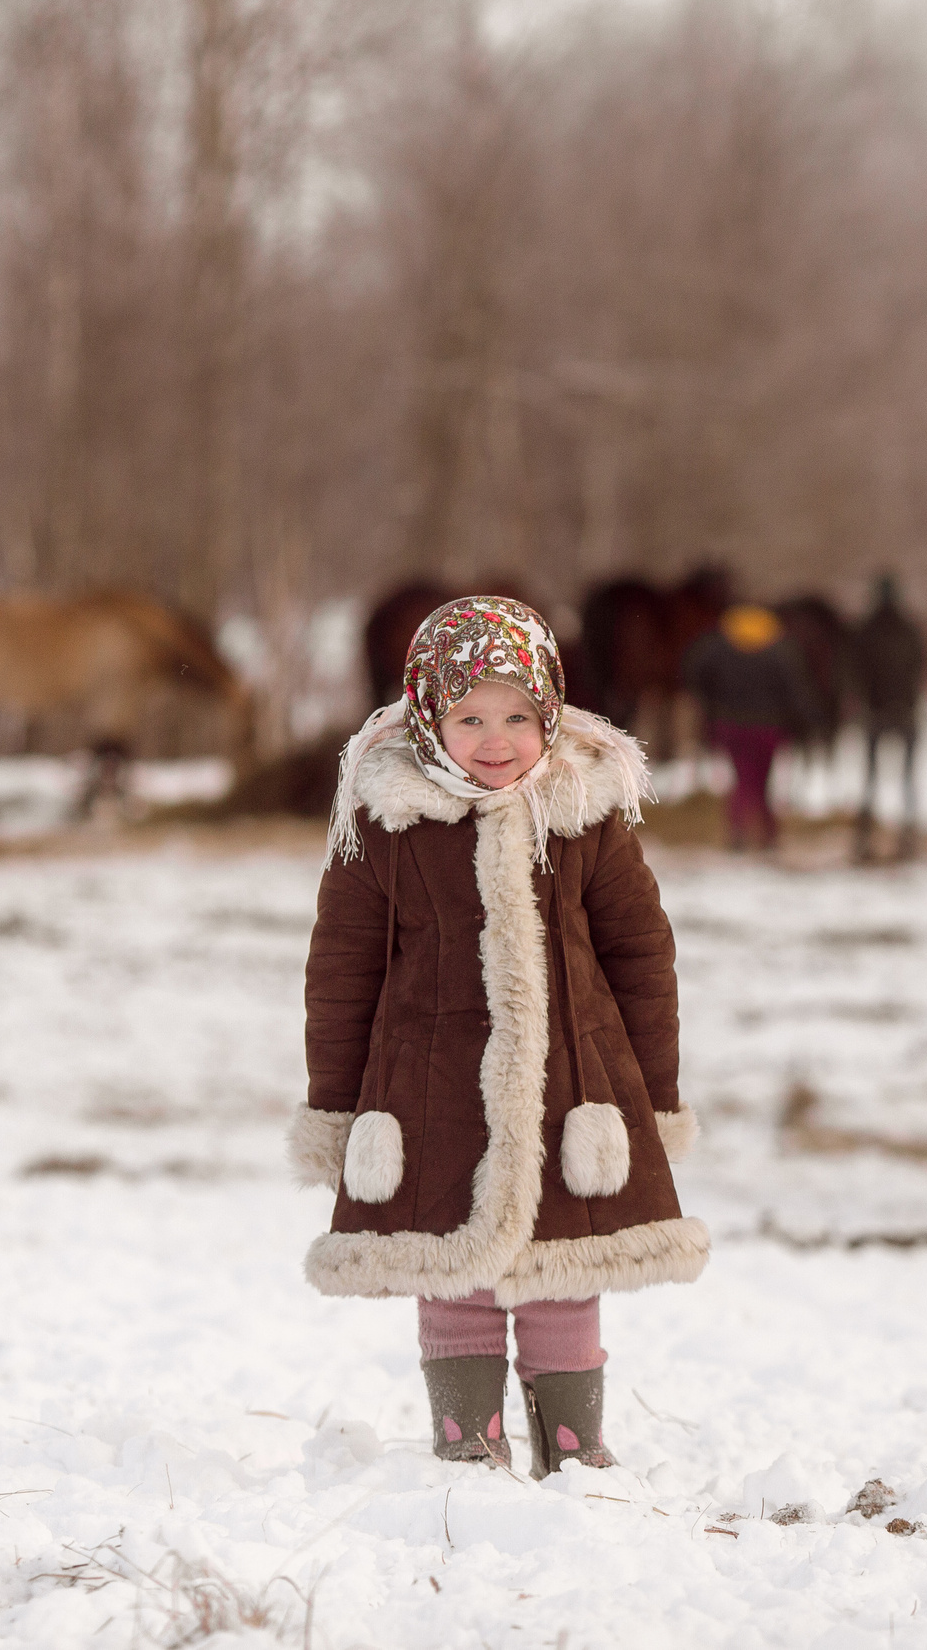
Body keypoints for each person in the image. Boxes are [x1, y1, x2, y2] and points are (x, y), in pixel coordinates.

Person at [290, 596, 705, 1474]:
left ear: (551, 712)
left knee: (563, 1271)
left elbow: (642, 957)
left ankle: (574, 1451)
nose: (496, 739)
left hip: (573, 1090)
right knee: (457, 1275)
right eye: (470, 716)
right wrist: (334, 1108)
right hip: (431, 1090)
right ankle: (467, 1451)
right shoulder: (387, 822)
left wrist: (656, 1099)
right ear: (428, 714)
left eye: (519, 716)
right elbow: (341, 973)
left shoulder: (584, 814)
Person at [683, 602, 820, 850]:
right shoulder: (779, 648)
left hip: (730, 724)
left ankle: (741, 832)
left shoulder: (718, 645)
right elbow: (795, 689)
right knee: (761, 781)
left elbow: (693, 670)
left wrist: (711, 704)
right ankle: (765, 834)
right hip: (768, 727)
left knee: (743, 779)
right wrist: (805, 722)